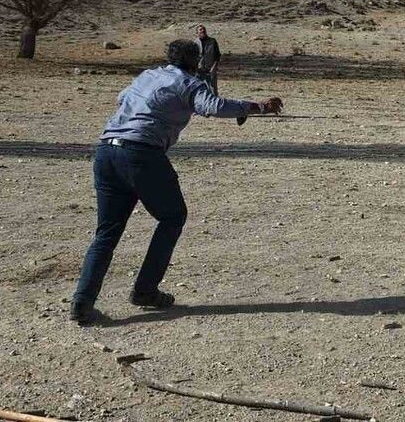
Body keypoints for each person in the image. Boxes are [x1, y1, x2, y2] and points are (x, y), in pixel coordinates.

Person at [70, 39, 283, 324]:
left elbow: (122, 98)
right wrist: (256, 106)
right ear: (196, 61)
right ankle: (145, 290)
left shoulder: (148, 75)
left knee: (107, 232)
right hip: (142, 154)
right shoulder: (190, 83)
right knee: (173, 217)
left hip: (106, 151)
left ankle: (82, 303)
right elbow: (213, 106)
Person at [194, 24, 221, 92]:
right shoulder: (195, 42)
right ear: (197, 33)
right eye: (200, 29)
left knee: (213, 89)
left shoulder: (212, 41)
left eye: (204, 29)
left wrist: (214, 67)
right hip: (199, 69)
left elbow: (217, 55)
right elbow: (193, 57)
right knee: (198, 88)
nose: (203, 30)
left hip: (210, 69)